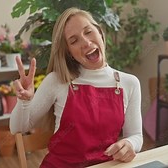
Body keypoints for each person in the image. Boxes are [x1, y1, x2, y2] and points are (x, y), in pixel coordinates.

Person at [10, 7, 143, 168]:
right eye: (74, 41)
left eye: (88, 32)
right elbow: (17, 127)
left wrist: (130, 144)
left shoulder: (129, 83)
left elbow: (136, 135)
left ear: (100, 32)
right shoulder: (57, 81)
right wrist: (24, 101)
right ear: (69, 52)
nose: (86, 43)